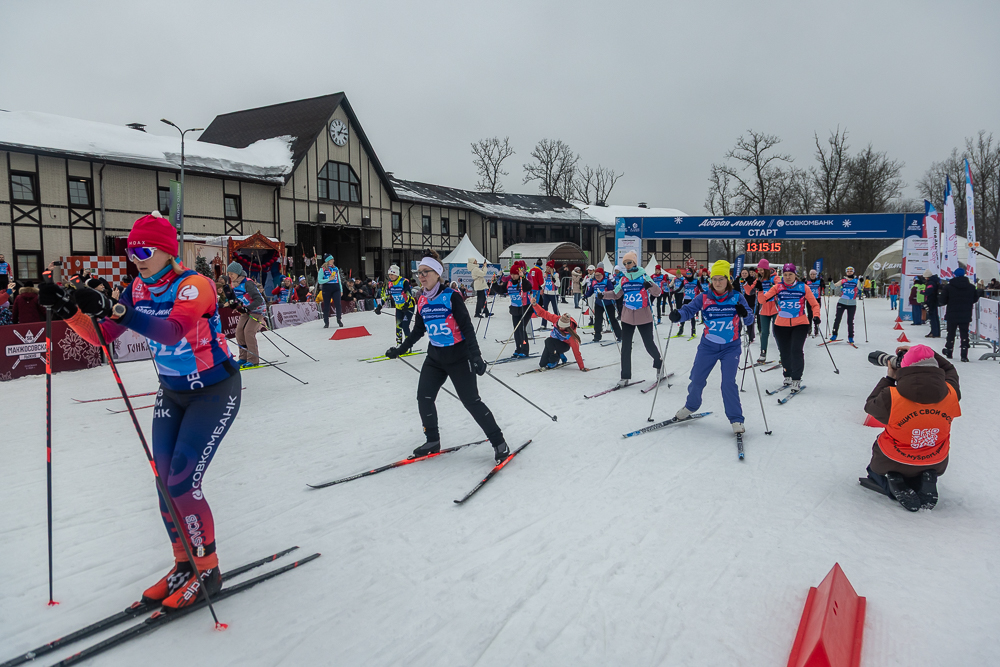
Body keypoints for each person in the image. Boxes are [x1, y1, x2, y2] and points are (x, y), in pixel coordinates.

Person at [38, 210, 240, 609]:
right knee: (164, 484)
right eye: (132, 252)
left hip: (214, 391)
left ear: (167, 250)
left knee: (183, 482)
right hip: (172, 393)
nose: (137, 258)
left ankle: (209, 568)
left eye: (144, 250)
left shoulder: (194, 286)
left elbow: (172, 331)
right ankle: (184, 564)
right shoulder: (138, 288)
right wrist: (69, 311)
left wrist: (116, 308)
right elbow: (101, 337)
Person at [385, 251, 510, 464]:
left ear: (437, 273)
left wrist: (476, 355)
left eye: (426, 272)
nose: (421, 276)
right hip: (435, 358)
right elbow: (418, 331)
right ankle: (432, 440)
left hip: (459, 357)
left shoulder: (451, 296)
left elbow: (467, 328)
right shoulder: (421, 299)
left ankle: (499, 442)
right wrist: (400, 349)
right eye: (419, 273)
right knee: (423, 397)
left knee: (471, 401)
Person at [862, 344, 960, 511]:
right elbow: (949, 369)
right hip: (935, 461)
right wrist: (926, 353)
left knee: (873, 472)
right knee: (920, 466)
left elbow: (870, 406)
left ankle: (893, 485)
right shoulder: (952, 392)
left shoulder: (891, 396)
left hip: (892, 459)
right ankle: (924, 479)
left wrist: (889, 379)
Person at [669, 260, 754, 433]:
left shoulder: (737, 296)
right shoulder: (704, 297)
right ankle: (691, 406)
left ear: (727, 279)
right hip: (708, 346)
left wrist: (745, 313)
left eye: (721, 279)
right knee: (697, 378)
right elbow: (689, 310)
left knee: (728, 383)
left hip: (731, 347)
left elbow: (750, 318)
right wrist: (678, 315)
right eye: (714, 279)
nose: (717, 282)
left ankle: (736, 419)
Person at [601, 251, 664, 387]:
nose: (627, 265)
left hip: (644, 316)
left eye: (629, 262)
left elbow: (657, 292)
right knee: (626, 347)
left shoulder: (643, 275)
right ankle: (625, 376)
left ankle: (659, 363)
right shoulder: (623, 279)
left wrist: (650, 285)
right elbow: (616, 294)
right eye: (625, 263)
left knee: (649, 344)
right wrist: (603, 295)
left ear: (635, 262)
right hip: (627, 317)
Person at [760, 263, 821, 391]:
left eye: (790, 274)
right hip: (780, 325)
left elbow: (814, 304)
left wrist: (816, 316)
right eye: (785, 274)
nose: (787, 277)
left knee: (796, 350)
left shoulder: (803, 287)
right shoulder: (777, 287)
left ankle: (796, 378)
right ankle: (787, 375)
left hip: (800, 324)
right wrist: (760, 290)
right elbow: (762, 300)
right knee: (784, 352)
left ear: (795, 275)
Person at [222, 263, 266, 368]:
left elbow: (258, 300)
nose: (230, 276)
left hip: (257, 309)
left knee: (248, 332)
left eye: (232, 273)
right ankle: (243, 357)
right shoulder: (234, 284)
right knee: (239, 332)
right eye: (229, 274)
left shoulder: (247, 283)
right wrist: (235, 305)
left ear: (237, 273)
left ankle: (253, 359)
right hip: (247, 310)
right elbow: (239, 298)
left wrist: (247, 308)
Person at [529, 297, 586, 370]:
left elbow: (576, 352)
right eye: (559, 325)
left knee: (548, 340)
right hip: (552, 345)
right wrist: (534, 304)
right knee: (542, 364)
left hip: (563, 346)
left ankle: (555, 359)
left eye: (562, 327)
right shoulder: (556, 319)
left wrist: (582, 367)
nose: (559, 328)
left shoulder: (572, 336)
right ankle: (559, 354)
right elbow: (543, 313)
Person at [939, 267, 980, 362]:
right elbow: (975, 299)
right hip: (966, 313)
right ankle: (964, 354)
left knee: (951, 332)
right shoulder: (971, 287)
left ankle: (949, 350)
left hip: (952, 313)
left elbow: (943, 300)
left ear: (954, 275)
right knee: (964, 333)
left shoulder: (948, 287)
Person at [376, 264, 415, 344]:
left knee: (405, 325)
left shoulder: (404, 282)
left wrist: (407, 305)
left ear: (397, 274)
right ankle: (399, 344)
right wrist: (379, 306)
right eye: (389, 274)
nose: (390, 276)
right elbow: (386, 296)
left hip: (409, 307)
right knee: (398, 326)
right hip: (399, 307)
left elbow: (410, 295)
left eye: (392, 274)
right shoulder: (390, 284)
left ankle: (408, 345)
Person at [585, 266, 621, 343]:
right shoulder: (594, 282)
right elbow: (591, 291)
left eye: (598, 275)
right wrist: (586, 296)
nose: (597, 277)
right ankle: (597, 336)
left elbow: (612, 291)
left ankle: (620, 335)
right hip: (598, 303)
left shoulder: (607, 281)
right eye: (596, 275)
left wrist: (604, 294)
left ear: (602, 275)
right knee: (598, 319)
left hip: (608, 303)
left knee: (612, 319)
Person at [506, 260, 532, 357]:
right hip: (515, 309)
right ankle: (518, 348)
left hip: (526, 308)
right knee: (516, 330)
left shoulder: (523, 281)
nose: (513, 276)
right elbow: (500, 289)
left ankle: (525, 349)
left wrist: (523, 278)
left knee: (522, 328)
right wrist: (495, 282)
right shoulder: (509, 282)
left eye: (515, 274)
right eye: (511, 274)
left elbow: (528, 287)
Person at [830, 266, 861, 343]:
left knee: (850, 321)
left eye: (851, 271)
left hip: (852, 304)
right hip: (842, 302)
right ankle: (834, 334)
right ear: (846, 272)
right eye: (848, 271)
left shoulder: (856, 281)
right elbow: (833, 287)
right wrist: (831, 281)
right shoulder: (843, 280)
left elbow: (860, 288)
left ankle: (851, 337)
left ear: (853, 272)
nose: (849, 272)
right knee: (837, 319)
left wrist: (861, 281)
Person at [755, 260, 777, 362]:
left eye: (761, 270)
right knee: (764, 332)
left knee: (777, 332)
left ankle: (782, 354)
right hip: (763, 309)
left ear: (766, 269)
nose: (760, 272)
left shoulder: (774, 277)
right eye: (759, 270)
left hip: (775, 308)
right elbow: (751, 291)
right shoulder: (758, 279)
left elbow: (781, 287)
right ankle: (763, 353)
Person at [673, 268, 701, 337]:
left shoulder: (695, 281)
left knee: (692, 316)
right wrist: (673, 291)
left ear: (692, 274)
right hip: (686, 299)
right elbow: (680, 288)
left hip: (693, 300)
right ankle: (681, 329)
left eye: (690, 273)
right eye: (687, 273)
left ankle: (693, 331)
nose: (688, 275)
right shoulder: (684, 281)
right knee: (683, 314)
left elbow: (700, 288)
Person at [317, 255, 343, 328]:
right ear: (328, 260)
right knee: (327, 305)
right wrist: (328, 279)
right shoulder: (322, 269)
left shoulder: (335, 268)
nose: (333, 260)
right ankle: (326, 322)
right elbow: (320, 281)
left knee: (338, 304)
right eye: (332, 259)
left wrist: (341, 290)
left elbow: (339, 280)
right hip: (327, 288)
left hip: (336, 287)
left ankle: (339, 319)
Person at [538, 261, 561, 329]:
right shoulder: (545, 274)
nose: (547, 268)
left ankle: (558, 322)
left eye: (548, 267)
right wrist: (541, 286)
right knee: (545, 309)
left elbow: (558, 285)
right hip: (546, 294)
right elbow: (545, 283)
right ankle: (543, 324)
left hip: (553, 294)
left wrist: (555, 281)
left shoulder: (555, 274)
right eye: (546, 267)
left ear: (551, 267)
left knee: (555, 309)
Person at [739, 268, 758, 343]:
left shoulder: (751, 280)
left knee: (750, 320)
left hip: (750, 303)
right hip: (740, 304)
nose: (744, 275)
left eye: (745, 273)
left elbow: (752, 291)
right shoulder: (738, 280)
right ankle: (738, 336)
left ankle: (751, 337)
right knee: (739, 321)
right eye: (742, 273)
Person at [805, 269, 825, 337]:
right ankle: (809, 330)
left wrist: (823, 283)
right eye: (811, 274)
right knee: (809, 315)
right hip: (809, 300)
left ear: (816, 275)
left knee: (816, 315)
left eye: (814, 274)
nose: (812, 276)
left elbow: (823, 288)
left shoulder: (819, 281)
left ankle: (816, 329)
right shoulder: (807, 282)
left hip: (817, 300)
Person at [923, 270, 941, 338]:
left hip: (931, 301)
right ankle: (935, 331)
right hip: (934, 301)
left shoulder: (931, 282)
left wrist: (922, 291)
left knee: (933, 317)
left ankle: (934, 332)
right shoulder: (935, 281)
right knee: (935, 317)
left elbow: (928, 291)